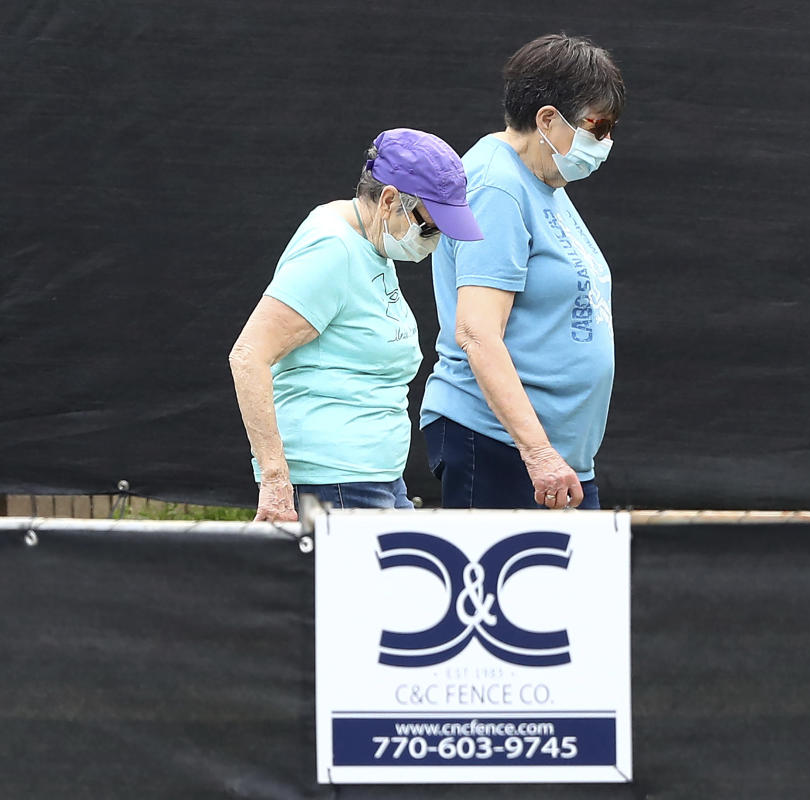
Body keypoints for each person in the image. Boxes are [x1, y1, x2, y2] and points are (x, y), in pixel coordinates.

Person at [230, 128, 483, 520]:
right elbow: (248, 356)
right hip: (334, 481)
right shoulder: (332, 248)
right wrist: (275, 478)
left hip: (371, 477)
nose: (434, 241)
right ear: (388, 200)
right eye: (430, 226)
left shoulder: (370, 242)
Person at [420, 34, 625, 510]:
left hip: (555, 460)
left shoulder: (542, 180)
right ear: (548, 119)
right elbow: (476, 332)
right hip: (502, 448)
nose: (606, 142)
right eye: (598, 127)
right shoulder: (497, 187)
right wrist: (538, 453)